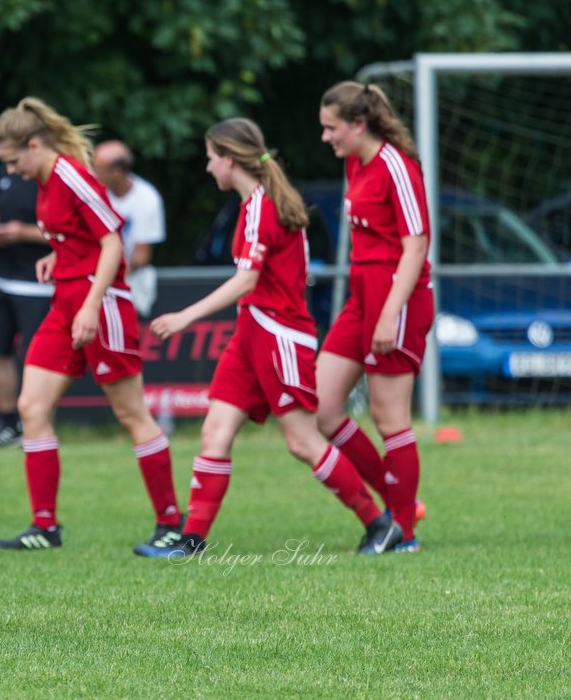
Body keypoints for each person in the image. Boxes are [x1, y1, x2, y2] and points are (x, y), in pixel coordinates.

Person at [139, 118, 400, 558]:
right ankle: (192, 540)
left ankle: (379, 524)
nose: (207, 168)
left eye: (210, 158)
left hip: (278, 335)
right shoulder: (256, 203)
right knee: (215, 433)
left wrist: (186, 315)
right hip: (251, 332)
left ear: (229, 159)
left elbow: (246, 281)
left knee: (303, 441)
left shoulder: (262, 206)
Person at [0, 97, 180, 553]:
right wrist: (61, 255)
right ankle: (44, 527)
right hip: (67, 299)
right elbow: (79, 236)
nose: (12, 172)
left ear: (34, 145)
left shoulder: (71, 174)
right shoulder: (43, 177)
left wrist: (91, 304)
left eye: (14, 161)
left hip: (102, 301)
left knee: (131, 414)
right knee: (31, 407)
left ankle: (172, 524)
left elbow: (114, 243)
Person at [316, 81, 432, 554]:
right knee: (322, 408)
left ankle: (403, 531)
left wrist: (389, 316)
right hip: (361, 298)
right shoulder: (353, 163)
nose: (326, 137)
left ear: (358, 125)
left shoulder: (396, 166)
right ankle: (398, 499)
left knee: (389, 419)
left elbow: (416, 244)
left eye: (331, 128)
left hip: (395, 300)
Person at [0, 162, 51, 447]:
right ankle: (8, 422)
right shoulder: (5, 169)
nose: (9, 161)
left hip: (39, 283)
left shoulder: (53, 173)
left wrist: (24, 232)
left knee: (37, 359)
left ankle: (36, 423)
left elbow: (71, 232)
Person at [91, 140, 166, 317]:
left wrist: (105, 282)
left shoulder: (147, 198)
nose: (93, 175)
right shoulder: (94, 193)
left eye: (98, 170)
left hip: (127, 282)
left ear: (117, 172)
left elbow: (141, 256)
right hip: (93, 276)